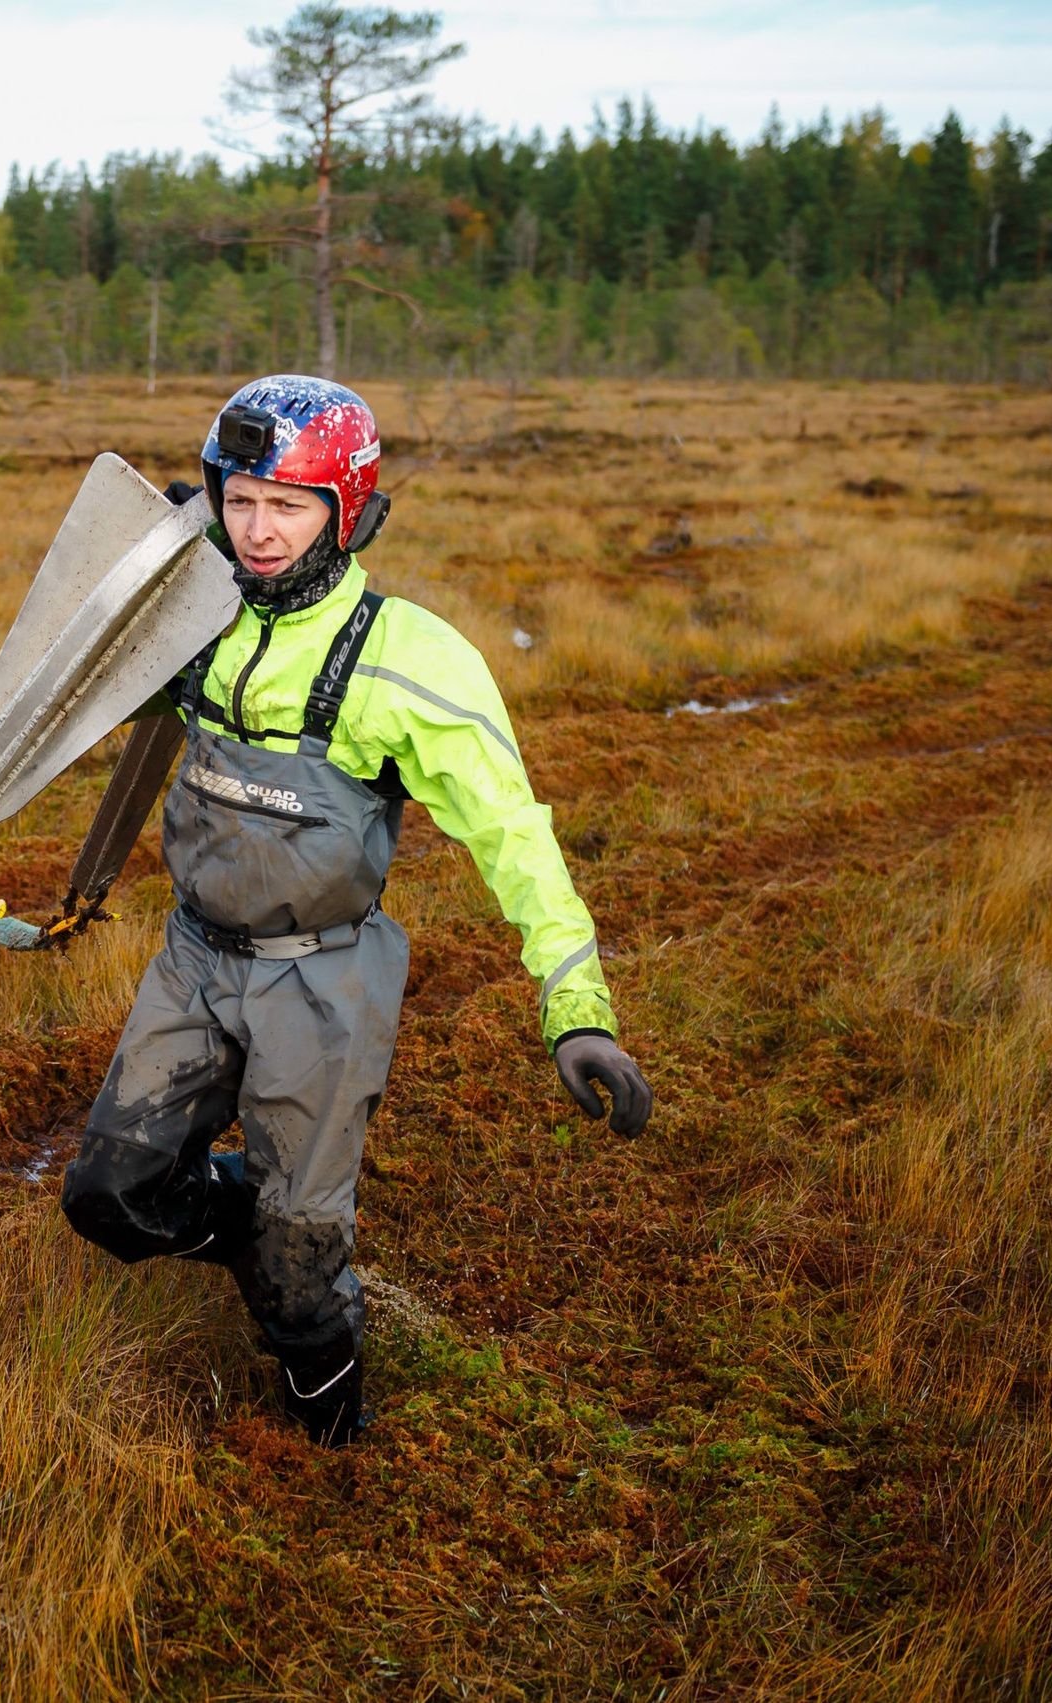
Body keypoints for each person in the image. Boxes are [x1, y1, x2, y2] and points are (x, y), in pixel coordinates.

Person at [42, 376, 652, 1446]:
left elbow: (516, 836)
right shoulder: (196, 616)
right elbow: (99, 709)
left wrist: (577, 1006)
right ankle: (250, 1231)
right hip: (193, 960)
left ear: (348, 507)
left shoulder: (412, 662)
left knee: (298, 1276)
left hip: (318, 983)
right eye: (238, 499)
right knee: (108, 1192)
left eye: (288, 503)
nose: (257, 530)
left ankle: (332, 1443)